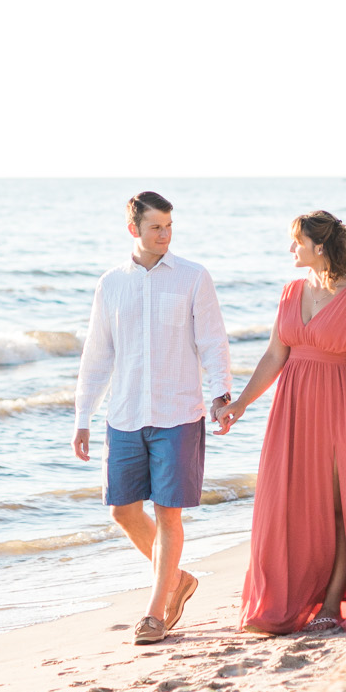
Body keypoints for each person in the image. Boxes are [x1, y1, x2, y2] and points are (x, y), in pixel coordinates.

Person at [216, 210, 346, 635]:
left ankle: (333, 601)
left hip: (342, 409)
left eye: (296, 241)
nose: (290, 249)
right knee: (289, 505)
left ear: (319, 247)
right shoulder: (289, 293)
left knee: (339, 508)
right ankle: (291, 597)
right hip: (293, 410)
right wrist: (240, 403)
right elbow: (275, 356)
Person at [74, 190, 232, 644]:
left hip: (179, 412)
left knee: (168, 514)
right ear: (134, 230)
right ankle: (179, 581)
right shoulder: (111, 284)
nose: (164, 235)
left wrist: (221, 395)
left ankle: (154, 613)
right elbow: (98, 354)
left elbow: (212, 341)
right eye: (155, 227)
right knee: (122, 512)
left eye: (168, 227)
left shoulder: (193, 277)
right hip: (123, 414)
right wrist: (83, 414)